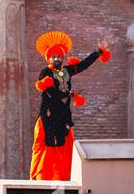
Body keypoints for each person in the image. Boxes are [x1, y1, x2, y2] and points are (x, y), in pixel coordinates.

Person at [30, 31, 111, 181]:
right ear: (48, 58)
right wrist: (69, 94)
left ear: (62, 57)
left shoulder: (67, 71)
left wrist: (99, 52)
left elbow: (83, 65)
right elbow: (52, 93)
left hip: (63, 116)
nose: (56, 59)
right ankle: (41, 180)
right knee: (43, 147)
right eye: (53, 56)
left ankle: (60, 180)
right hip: (48, 116)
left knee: (65, 149)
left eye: (59, 56)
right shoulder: (45, 72)